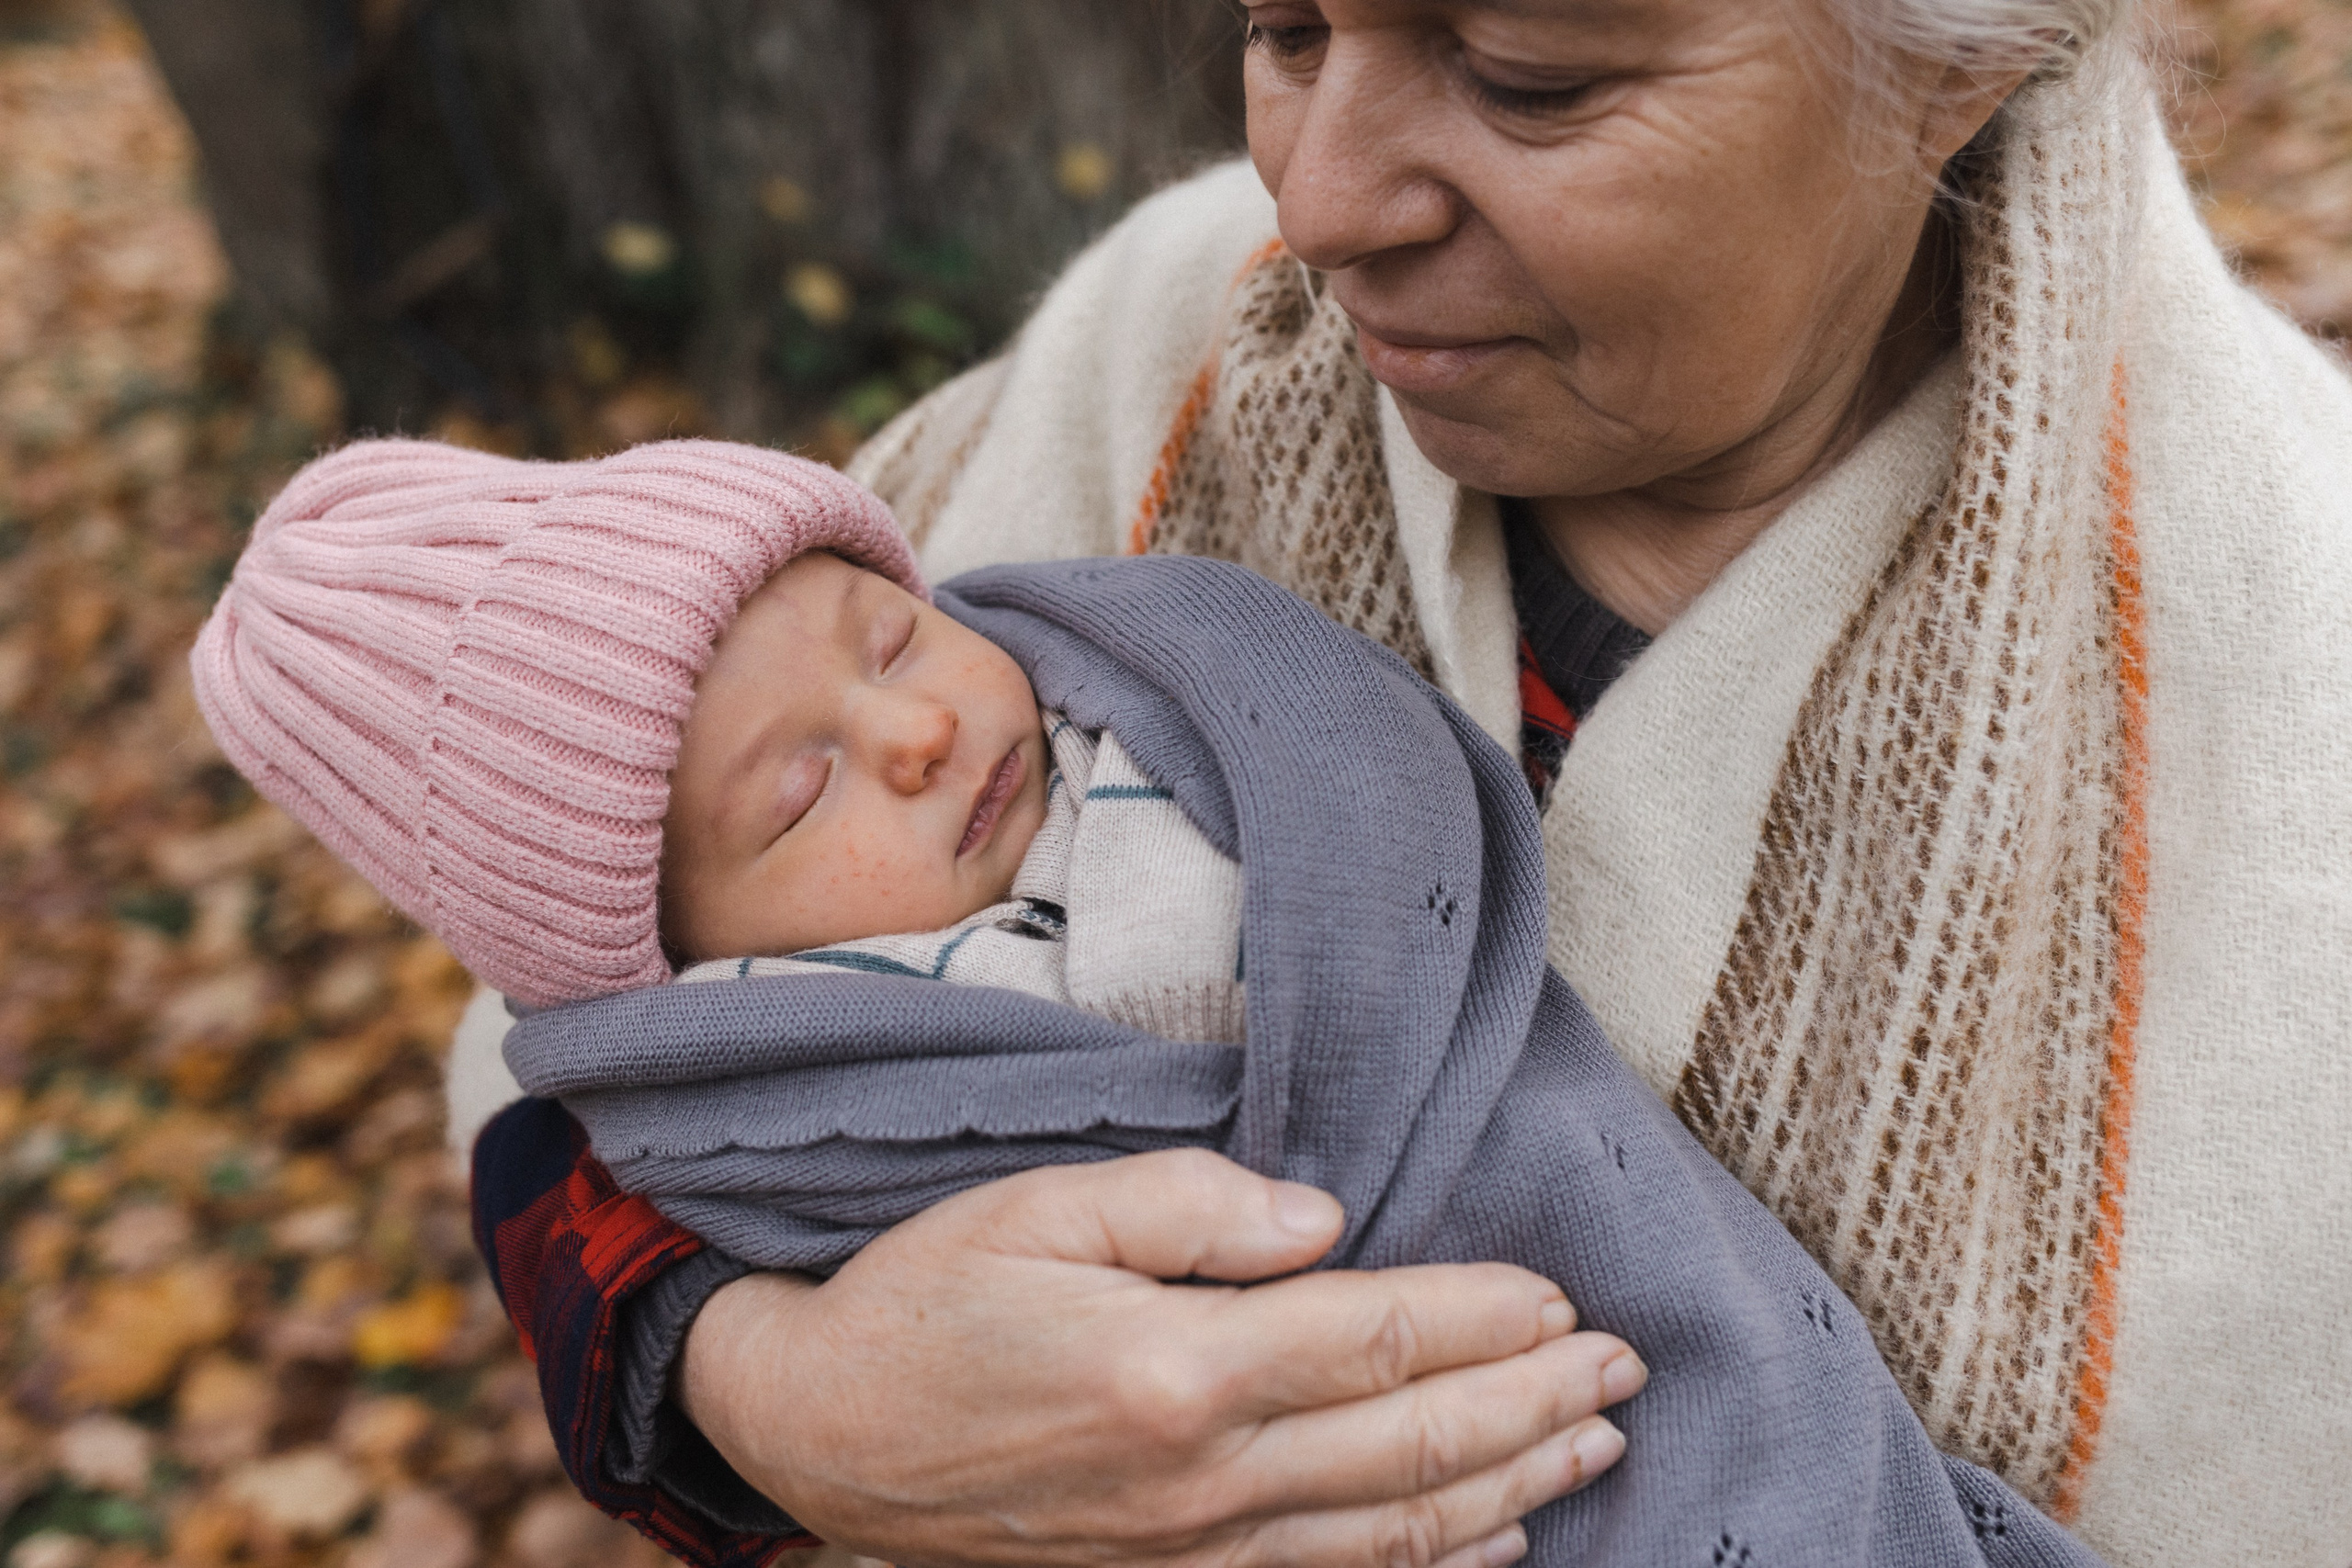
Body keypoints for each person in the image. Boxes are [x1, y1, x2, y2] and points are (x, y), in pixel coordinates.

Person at [446, 0, 2352, 1564]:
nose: (1320, 198)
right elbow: (558, 991)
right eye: (1284, 27)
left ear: (1954, 55)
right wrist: (769, 1387)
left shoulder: (2291, 709)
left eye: (1526, 76)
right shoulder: (1164, 349)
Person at [197, 435, 2102, 1567]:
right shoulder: (1147, 360)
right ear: (708, 972)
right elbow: (550, 1099)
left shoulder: (2234, 606)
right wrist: (760, 1377)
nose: (925, 718)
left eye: (894, 632)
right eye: (798, 793)